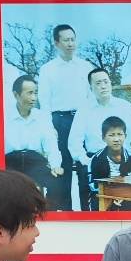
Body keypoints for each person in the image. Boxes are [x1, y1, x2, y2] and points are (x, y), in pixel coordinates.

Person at [38, 24, 94, 211]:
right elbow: (44, 102)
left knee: (84, 165)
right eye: (66, 40)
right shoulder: (48, 69)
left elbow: (90, 98)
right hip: (60, 121)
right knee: (63, 168)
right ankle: (65, 213)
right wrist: (49, 127)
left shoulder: (85, 67)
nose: (71, 44)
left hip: (82, 119)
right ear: (56, 43)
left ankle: (87, 212)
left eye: (73, 39)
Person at [69, 67, 131, 178]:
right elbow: (74, 141)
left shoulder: (125, 106)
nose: (103, 86)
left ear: (110, 84)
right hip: (96, 161)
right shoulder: (84, 110)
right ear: (91, 88)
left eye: (106, 82)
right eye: (98, 83)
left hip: (124, 158)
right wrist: (85, 160)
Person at [4, 75, 62, 197]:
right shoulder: (4, 116)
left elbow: (51, 145)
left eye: (35, 93)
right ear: (16, 95)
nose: (34, 98)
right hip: (10, 162)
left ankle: (47, 209)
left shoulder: (41, 116)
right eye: (30, 93)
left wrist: (55, 166)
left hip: (34, 162)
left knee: (57, 182)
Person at [88, 116, 131, 211]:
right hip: (104, 194)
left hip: (128, 194)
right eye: (112, 135)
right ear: (103, 137)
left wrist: (124, 195)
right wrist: (112, 195)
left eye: (120, 134)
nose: (116, 139)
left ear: (125, 136)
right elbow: (92, 185)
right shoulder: (96, 158)